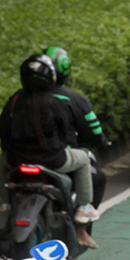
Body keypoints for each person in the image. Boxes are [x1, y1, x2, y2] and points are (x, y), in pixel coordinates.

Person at [0, 54, 99, 249]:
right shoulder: (55, 101)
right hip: (53, 160)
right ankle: (84, 208)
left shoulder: (15, 100)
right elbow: (64, 132)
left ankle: (4, 204)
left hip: (16, 160)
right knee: (84, 159)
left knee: (2, 161)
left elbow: (2, 129)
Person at [39, 46, 110, 216]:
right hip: (58, 158)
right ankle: (82, 226)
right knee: (97, 177)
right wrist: (101, 141)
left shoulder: (19, 98)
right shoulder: (73, 99)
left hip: (20, 157)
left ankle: (4, 205)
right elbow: (94, 132)